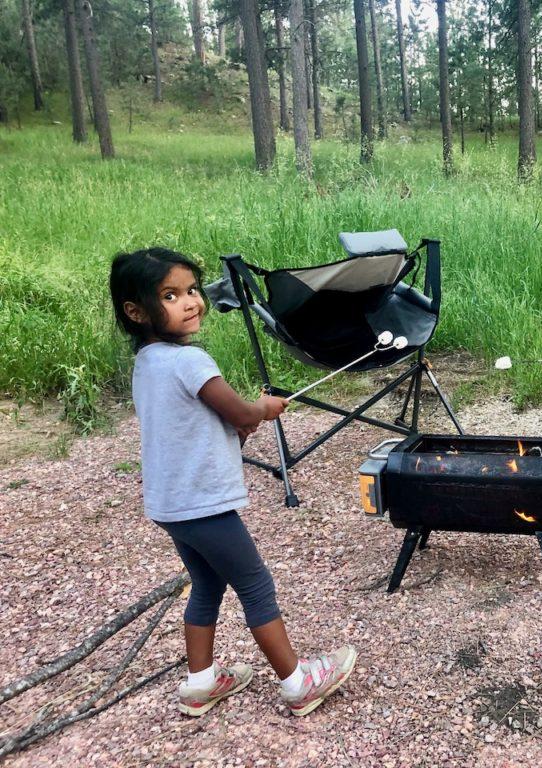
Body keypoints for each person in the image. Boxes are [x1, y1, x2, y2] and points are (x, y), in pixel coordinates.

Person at [110, 247, 357, 716]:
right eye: (170, 295)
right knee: (256, 585)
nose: (191, 302)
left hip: (170, 505)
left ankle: (201, 683)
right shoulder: (190, 361)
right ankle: (298, 683)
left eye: (191, 290)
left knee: (207, 584)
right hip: (203, 504)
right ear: (136, 310)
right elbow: (241, 411)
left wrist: (237, 425)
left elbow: (195, 421)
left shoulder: (148, 362)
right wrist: (261, 409)